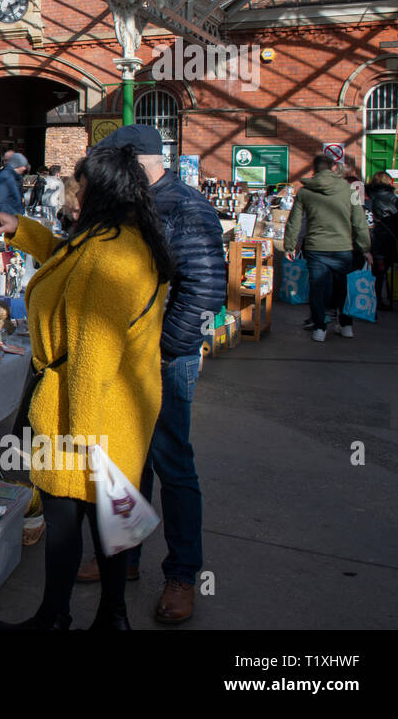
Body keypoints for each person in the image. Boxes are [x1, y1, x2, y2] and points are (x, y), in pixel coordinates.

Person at [0, 143, 175, 631]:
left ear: (103, 192)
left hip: (85, 409)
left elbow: (94, 352)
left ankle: (56, 617)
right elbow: (67, 263)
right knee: (108, 519)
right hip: (114, 408)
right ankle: (108, 617)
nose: (75, 196)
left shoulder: (111, 256)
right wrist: (19, 229)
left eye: (83, 187)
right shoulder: (117, 238)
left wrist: (83, 443)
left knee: (70, 522)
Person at [75, 125, 226, 625]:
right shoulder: (127, 202)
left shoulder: (185, 206)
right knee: (126, 461)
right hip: (123, 354)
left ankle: (183, 573)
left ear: (139, 162)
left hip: (162, 359)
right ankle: (127, 557)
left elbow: (205, 287)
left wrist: (166, 347)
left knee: (172, 463)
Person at [284, 154, 372, 340]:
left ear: (314, 169)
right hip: (343, 248)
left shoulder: (304, 192)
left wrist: (290, 246)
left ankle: (319, 329)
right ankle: (346, 325)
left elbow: (294, 221)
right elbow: (359, 222)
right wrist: (365, 248)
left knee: (317, 288)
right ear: (333, 168)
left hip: (316, 247)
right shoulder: (351, 192)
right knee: (343, 287)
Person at [365, 170, 398, 310]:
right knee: (382, 271)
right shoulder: (391, 198)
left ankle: (371, 297)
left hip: (370, 235)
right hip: (385, 238)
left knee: (375, 270)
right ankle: (379, 300)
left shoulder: (367, 195)